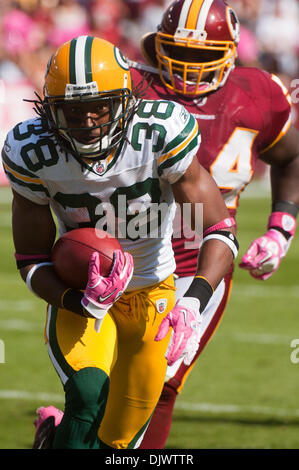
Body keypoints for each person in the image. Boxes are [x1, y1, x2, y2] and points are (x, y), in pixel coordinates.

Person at [2, 35, 238, 449]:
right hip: (81, 292)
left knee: (119, 443)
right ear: (49, 110)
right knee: (88, 396)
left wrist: (193, 302)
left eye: (100, 106)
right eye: (73, 110)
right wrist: (81, 302)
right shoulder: (32, 151)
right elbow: (31, 260)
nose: (89, 121)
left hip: (153, 295)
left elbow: (218, 229)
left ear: (126, 102)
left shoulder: (160, 133)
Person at [128, 0, 299, 448]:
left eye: (203, 56)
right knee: (100, 375)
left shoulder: (258, 92)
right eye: (179, 52)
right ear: (158, 48)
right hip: (126, 249)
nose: (188, 67)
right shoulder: (131, 86)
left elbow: (290, 154)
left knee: (162, 379)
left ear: (230, 52)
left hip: (202, 258)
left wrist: (281, 227)